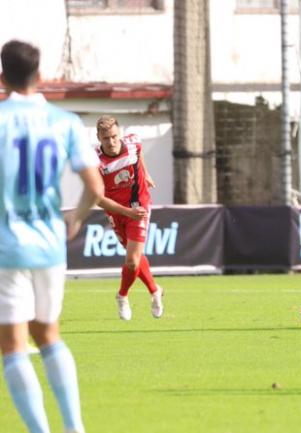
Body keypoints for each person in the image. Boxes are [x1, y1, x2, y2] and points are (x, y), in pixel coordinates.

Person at [0, 39, 104, 433]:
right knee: (48, 335)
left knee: (12, 346)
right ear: (40, 76)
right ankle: (74, 428)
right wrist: (74, 220)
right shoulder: (65, 122)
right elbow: (94, 187)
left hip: (7, 246)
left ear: (2, 77)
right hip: (49, 246)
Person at [94, 115, 163, 320]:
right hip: (116, 211)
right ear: (98, 137)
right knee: (135, 258)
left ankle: (122, 295)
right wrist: (125, 212)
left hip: (138, 207)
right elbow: (97, 199)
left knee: (132, 260)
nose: (111, 142)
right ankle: (155, 290)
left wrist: (146, 174)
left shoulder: (134, 142)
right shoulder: (94, 161)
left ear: (120, 133)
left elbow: (139, 156)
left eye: (114, 136)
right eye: (106, 138)